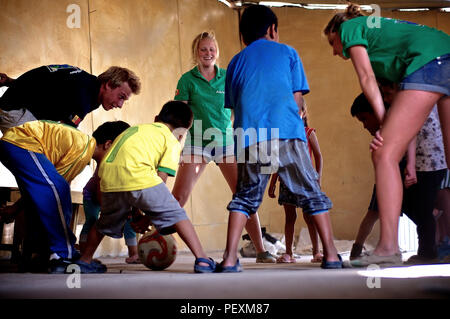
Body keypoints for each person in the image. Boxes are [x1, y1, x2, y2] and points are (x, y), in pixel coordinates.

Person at [324, 2, 450, 266]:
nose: (335, 52)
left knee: (383, 153)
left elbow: (366, 78)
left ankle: (388, 247)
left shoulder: (349, 27)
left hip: (431, 61)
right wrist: (391, 129)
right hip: (444, 52)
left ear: (337, 30)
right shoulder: (385, 47)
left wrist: (384, 126)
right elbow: (404, 114)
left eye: (332, 43)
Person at [219, 4, 342, 273]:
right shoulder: (288, 52)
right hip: (287, 131)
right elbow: (298, 101)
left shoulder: (235, 62)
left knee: (245, 197)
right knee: (311, 193)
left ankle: (229, 259)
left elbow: (234, 106)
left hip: (250, 135)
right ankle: (331, 255)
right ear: (272, 29)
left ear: (243, 36)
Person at [75, 101, 217, 273]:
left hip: (109, 179)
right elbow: (159, 181)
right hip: (139, 177)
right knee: (178, 214)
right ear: (182, 133)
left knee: (103, 224)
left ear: (156, 118)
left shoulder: (134, 130)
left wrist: (137, 215)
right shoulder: (172, 141)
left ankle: (85, 260)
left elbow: (127, 186)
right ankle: (202, 259)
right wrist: (149, 217)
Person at [172, 31, 275, 263]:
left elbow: (240, 108)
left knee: (243, 196)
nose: (208, 53)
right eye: (203, 50)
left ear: (217, 53)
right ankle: (156, 240)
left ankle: (260, 250)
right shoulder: (187, 80)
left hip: (226, 143)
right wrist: (174, 146)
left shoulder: (228, 77)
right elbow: (179, 115)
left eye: (211, 50)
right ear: (196, 53)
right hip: (196, 143)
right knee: (178, 197)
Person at [0, 119, 123, 273]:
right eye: (121, 153)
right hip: (23, 144)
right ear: (108, 145)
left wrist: (15, 209)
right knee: (60, 192)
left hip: (16, 144)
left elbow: (44, 191)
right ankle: (64, 254)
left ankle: (40, 255)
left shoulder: (79, 145)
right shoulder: (84, 147)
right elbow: (55, 189)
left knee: (43, 200)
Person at [349, 92, 447, 265]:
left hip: (429, 160)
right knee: (418, 206)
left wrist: (410, 165)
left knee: (422, 207)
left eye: (364, 119)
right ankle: (428, 246)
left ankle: (428, 252)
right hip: (422, 161)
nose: (364, 126)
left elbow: (411, 133)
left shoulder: (401, 110)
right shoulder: (394, 118)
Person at [0, 64, 141, 132]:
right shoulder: (85, 96)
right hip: (15, 112)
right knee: (43, 164)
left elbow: (43, 82)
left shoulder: (87, 82)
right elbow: (65, 131)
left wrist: (10, 82)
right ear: (109, 84)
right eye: (121, 97)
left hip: (15, 106)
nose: (121, 105)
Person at [268, 103, 324, 263]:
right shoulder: (282, 136)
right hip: (286, 181)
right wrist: (273, 183)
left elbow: (319, 156)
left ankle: (316, 252)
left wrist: (318, 177)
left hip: (306, 180)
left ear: (304, 113)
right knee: (290, 218)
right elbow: (277, 161)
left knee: (310, 217)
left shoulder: (309, 133)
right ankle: (288, 253)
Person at [79, 121, 141, 264]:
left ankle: (134, 253)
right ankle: (84, 253)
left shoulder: (119, 164)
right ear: (108, 145)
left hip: (108, 194)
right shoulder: (104, 164)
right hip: (92, 196)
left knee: (128, 220)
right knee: (92, 220)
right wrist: (110, 211)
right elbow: (100, 192)